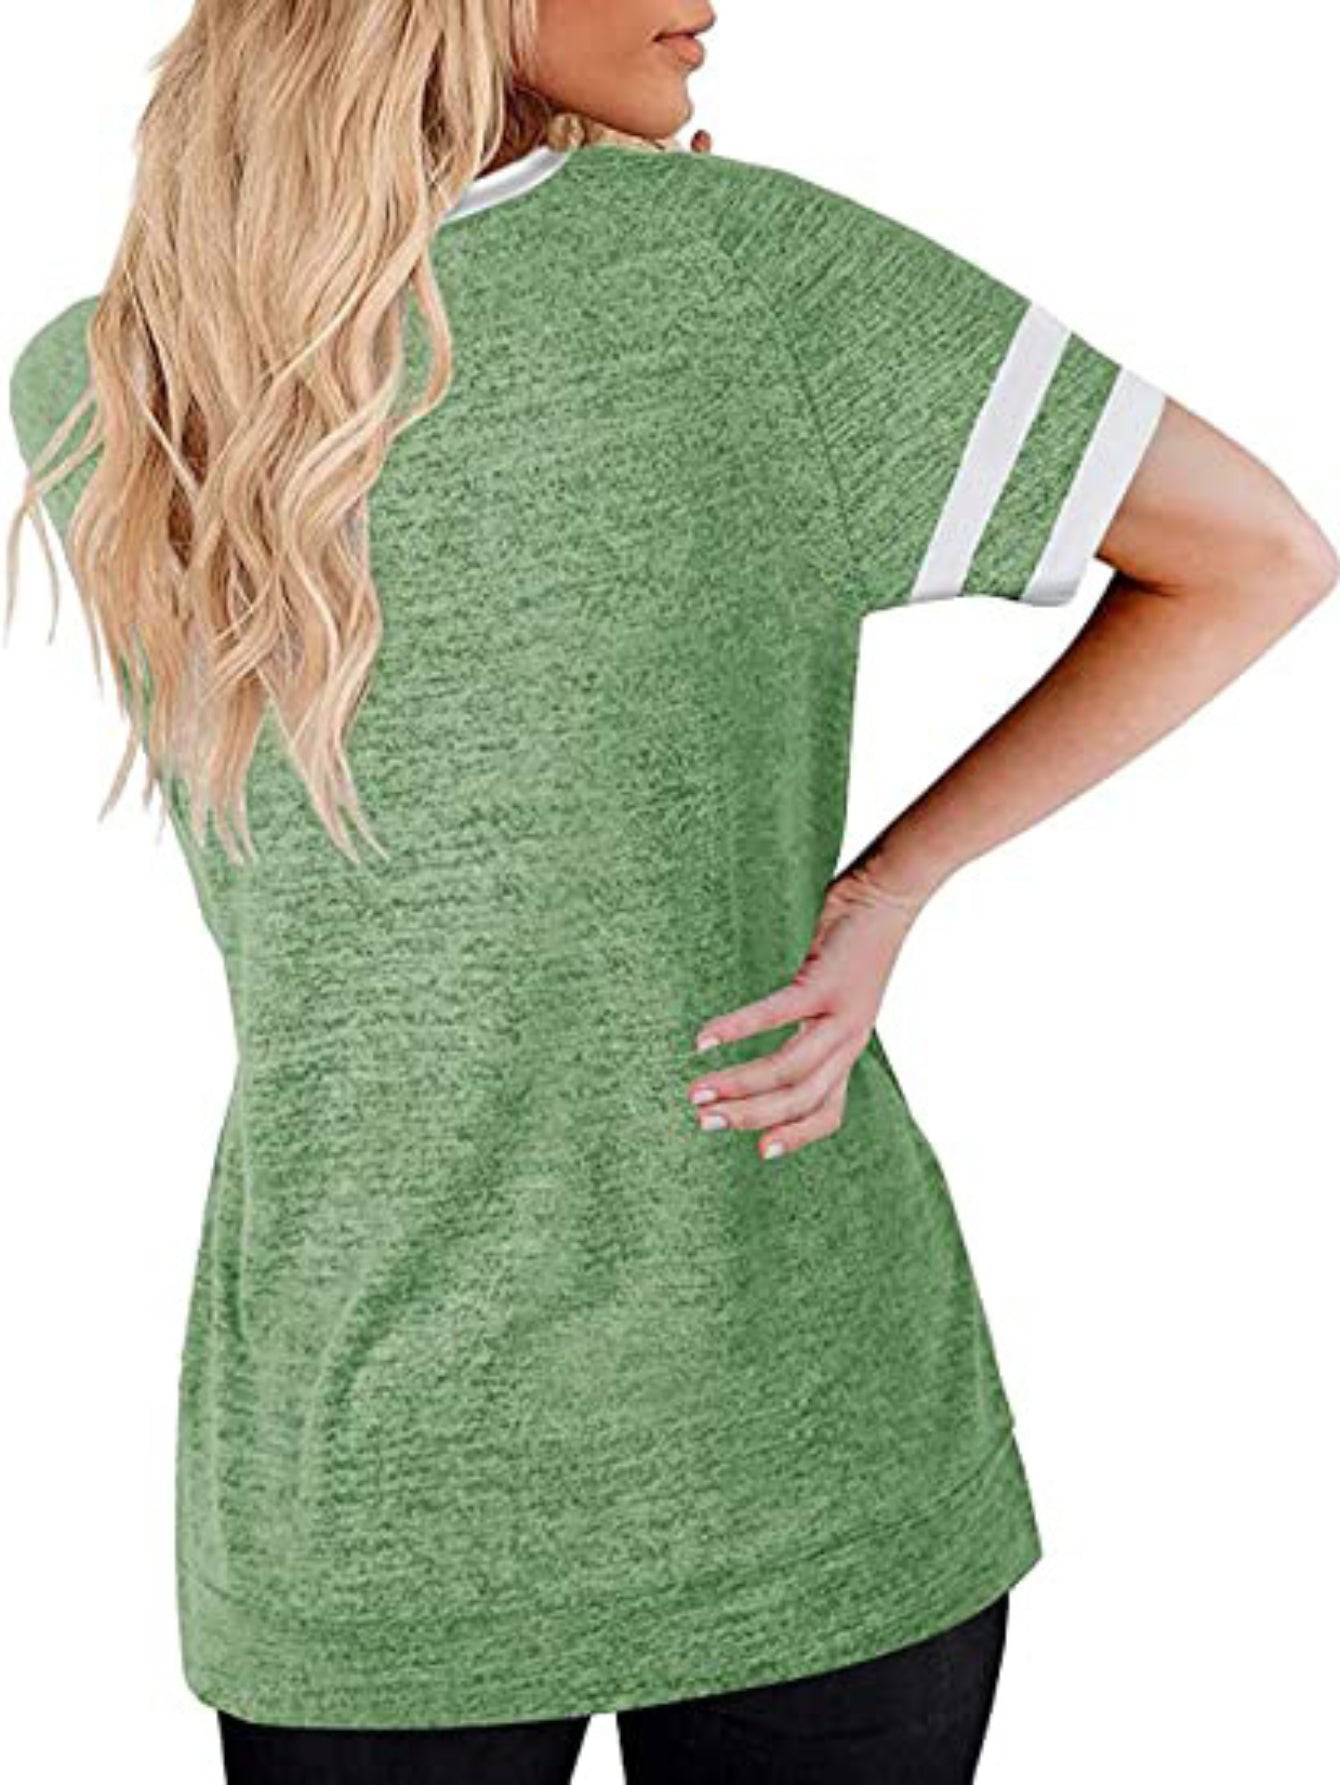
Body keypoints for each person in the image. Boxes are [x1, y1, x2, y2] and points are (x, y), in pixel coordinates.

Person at [6, 3, 1335, 1782]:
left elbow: (1259, 559)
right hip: (711, 1456)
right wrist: (881, 893)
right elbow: (1254, 549)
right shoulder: (734, 278)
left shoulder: (105, 373)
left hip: (441, 1470)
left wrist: (889, 888)